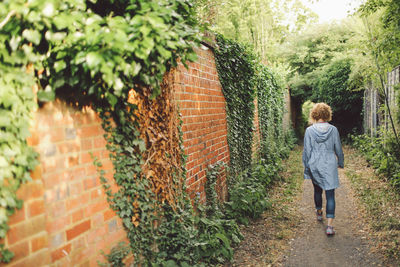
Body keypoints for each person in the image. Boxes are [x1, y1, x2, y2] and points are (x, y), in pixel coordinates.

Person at [302, 103, 344, 236]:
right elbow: (338, 148)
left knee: (317, 190)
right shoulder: (333, 130)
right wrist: (341, 162)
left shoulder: (309, 131)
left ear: (314, 114)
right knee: (330, 194)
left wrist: (307, 166)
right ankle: (330, 226)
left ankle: (319, 212)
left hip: (315, 164)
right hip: (330, 164)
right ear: (327, 114)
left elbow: (307, 151)